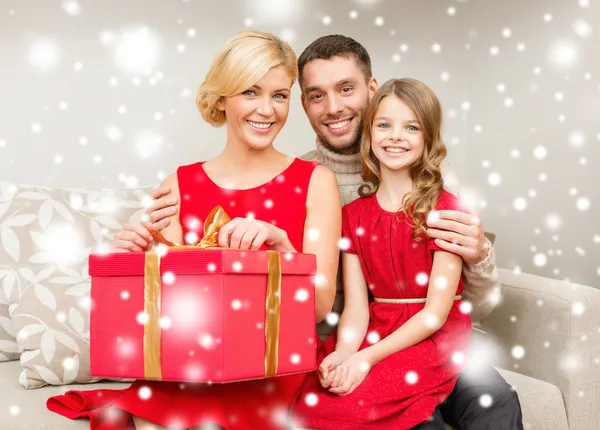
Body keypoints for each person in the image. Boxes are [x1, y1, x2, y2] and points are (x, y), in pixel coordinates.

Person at [145, 35, 523, 429]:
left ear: (372, 90)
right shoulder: (307, 179)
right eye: (316, 95)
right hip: (352, 341)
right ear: (304, 103)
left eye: (346, 89)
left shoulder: (433, 184)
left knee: (493, 400)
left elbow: (477, 306)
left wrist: (478, 255)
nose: (334, 107)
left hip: (430, 340)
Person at [46, 30, 341, 430]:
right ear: (222, 98)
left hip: (271, 366)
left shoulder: (315, 181)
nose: (267, 110)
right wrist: (136, 258)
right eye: (250, 92)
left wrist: (283, 247)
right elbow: (168, 313)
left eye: (279, 95)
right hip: (192, 365)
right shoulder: (179, 184)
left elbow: (321, 307)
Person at [290, 77, 473, 429]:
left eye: (411, 127)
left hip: (432, 336)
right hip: (378, 329)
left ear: (428, 138)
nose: (395, 136)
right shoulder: (354, 216)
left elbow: (435, 314)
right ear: (369, 134)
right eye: (384, 125)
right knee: (313, 406)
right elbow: (357, 309)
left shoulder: (445, 209)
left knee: (358, 407)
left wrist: (364, 359)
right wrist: (345, 351)